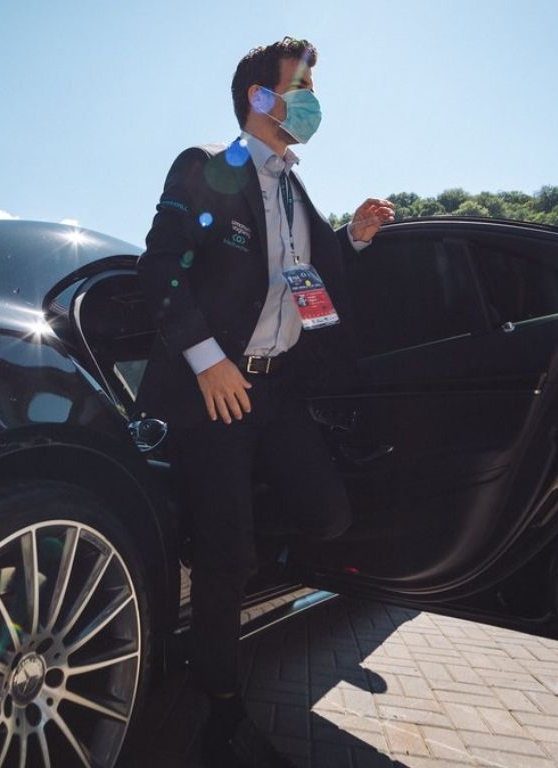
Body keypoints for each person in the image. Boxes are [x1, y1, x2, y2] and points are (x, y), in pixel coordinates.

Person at [136, 37, 395, 768]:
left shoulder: (295, 190)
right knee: (227, 560)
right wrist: (207, 359)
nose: (313, 100)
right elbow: (159, 266)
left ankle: (225, 539)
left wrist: (354, 238)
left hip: (277, 390)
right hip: (215, 392)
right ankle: (219, 702)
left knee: (328, 514)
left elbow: (311, 275)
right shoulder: (208, 165)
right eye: (301, 86)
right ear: (259, 97)